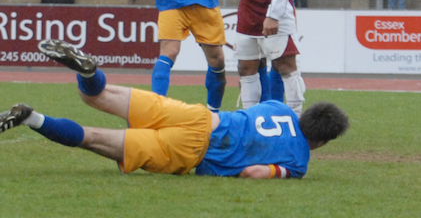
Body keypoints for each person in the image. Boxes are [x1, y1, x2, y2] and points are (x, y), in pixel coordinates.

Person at [0, 39, 348, 178]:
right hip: (192, 151)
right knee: (93, 137)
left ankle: (89, 73)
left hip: (197, 115)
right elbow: (252, 174)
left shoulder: (279, 108)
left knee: (98, 95)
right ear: (324, 141)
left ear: (305, 115)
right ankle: (31, 116)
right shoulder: (299, 162)